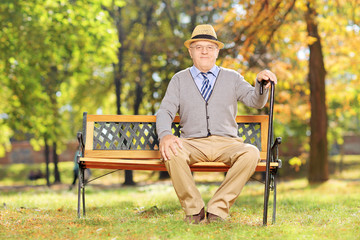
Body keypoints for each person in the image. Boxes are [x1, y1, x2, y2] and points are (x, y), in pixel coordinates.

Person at [156, 24, 277, 224]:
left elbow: (255, 101)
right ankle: (194, 211)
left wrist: (260, 83)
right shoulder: (179, 79)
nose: (204, 51)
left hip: (228, 143)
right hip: (192, 142)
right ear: (190, 51)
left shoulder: (232, 77)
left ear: (217, 51)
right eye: (199, 47)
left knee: (251, 153)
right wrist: (165, 135)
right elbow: (165, 111)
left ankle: (217, 210)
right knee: (172, 151)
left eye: (210, 47)